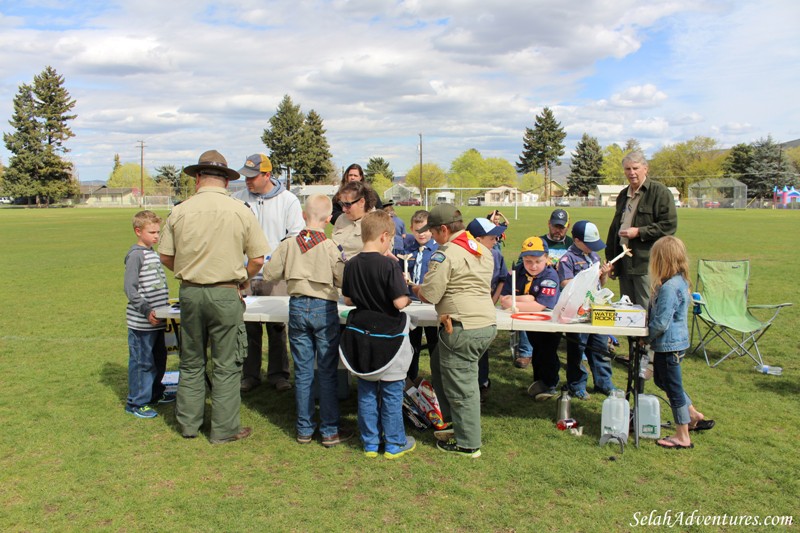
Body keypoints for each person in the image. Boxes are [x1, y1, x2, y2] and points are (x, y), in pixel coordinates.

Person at [159, 150, 270, 444]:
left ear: (198, 178)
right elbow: (258, 259)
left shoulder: (180, 210)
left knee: (191, 361)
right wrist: (242, 280)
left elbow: (165, 256)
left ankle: (188, 425)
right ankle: (223, 429)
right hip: (225, 293)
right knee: (226, 363)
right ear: (225, 181)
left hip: (191, 293)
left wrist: (189, 270)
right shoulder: (240, 211)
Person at [263, 194, 349, 447]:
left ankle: (304, 429)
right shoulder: (331, 246)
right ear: (329, 219)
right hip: (324, 307)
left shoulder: (289, 244)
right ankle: (330, 430)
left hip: (298, 305)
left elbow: (269, 273)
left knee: (302, 372)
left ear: (302, 215)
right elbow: (343, 280)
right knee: (327, 371)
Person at [412, 204, 497, 458]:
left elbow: (430, 294)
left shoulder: (445, 254)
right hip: (485, 323)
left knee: (462, 386)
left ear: (444, 229)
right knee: (440, 365)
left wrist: (415, 288)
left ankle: (468, 443)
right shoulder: (482, 249)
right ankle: (451, 422)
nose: (433, 237)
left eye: (434, 232)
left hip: (462, 327)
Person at [342, 210, 415, 459]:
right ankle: (394, 443)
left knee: (367, 392)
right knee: (392, 393)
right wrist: (406, 291)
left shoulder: (351, 264)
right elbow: (399, 303)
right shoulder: (389, 265)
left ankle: (371, 443)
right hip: (389, 337)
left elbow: (348, 298)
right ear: (384, 236)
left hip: (361, 336)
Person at [233, 153, 304, 393]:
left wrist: (278, 261)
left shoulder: (289, 201)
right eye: (246, 176)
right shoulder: (238, 199)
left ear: (267, 175)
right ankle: (250, 375)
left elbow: (296, 235)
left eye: (253, 177)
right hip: (245, 274)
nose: (248, 181)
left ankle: (278, 375)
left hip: (277, 276)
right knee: (247, 327)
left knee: (277, 328)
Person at [643, 236, 712, 449]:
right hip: (675, 342)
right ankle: (693, 415)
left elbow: (661, 322)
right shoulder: (678, 281)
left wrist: (644, 338)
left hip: (669, 344)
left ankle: (682, 435)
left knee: (673, 388)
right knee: (662, 381)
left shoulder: (669, 288)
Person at [606, 151, 677, 312]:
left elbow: (669, 225)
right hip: (624, 262)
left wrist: (639, 232)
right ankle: (633, 339)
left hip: (647, 262)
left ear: (646, 168)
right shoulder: (623, 195)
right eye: (627, 169)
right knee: (627, 308)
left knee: (647, 307)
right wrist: (612, 261)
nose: (631, 173)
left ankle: (647, 338)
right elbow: (614, 229)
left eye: (635, 168)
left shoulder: (660, 193)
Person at [556, 221, 616, 400]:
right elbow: (565, 284)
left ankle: (604, 382)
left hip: (595, 309)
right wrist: (587, 278)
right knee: (578, 350)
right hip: (576, 313)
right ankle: (577, 384)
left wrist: (604, 273)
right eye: (589, 244)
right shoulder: (567, 259)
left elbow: (600, 284)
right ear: (577, 241)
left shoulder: (595, 257)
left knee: (600, 347)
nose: (593, 248)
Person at [500, 237, 561, 401]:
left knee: (546, 352)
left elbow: (541, 305)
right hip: (528, 321)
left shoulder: (550, 275)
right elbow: (503, 298)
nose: (533, 266)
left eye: (537, 261)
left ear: (547, 258)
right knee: (536, 350)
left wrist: (515, 304)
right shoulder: (517, 272)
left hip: (549, 324)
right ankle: (539, 382)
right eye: (528, 261)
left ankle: (549, 384)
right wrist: (526, 299)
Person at [123, 210, 171, 419]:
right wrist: (146, 310)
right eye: (152, 232)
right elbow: (130, 289)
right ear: (138, 231)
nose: (156, 236)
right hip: (143, 323)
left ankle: (154, 393)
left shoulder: (153, 253)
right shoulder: (135, 256)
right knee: (142, 362)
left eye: (158, 232)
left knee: (159, 359)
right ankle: (136, 402)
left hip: (159, 320)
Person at [513, 209, 573, 369]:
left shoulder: (571, 244)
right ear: (549, 224)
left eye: (561, 227)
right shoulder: (537, 242)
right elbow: (521, 264)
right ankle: (526, 352)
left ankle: (571, 356)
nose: (557, 230)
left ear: (568, 227)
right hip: (537, 288)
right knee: (527, 313)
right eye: (555, 226)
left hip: (563, 291)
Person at [465, 218, 507, 402]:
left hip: (487, 304)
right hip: (468, 307)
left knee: (482, 345)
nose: (496, 240)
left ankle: (482, 382)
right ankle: (466, 385)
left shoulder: (496, 255)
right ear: (478, 239)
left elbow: (502, 279)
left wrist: (493, 300)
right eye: (492, 237)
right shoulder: (463, 255)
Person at [403, 210, 439, 382]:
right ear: (411, 229)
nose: (421, 234)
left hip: (432, 304)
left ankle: (438, 379)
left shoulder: (438, 250)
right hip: (412, 304)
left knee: (435, 343)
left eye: (425, 230)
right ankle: (411, 379)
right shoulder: (408, 251)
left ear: (431, 229)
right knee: (412, 344)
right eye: (417, 230)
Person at [331, 181, 376, 260]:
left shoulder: (378, 222)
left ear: (361, 202)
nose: (343, 209)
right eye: (342, 204)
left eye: (347, 205)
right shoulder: (341, 219)